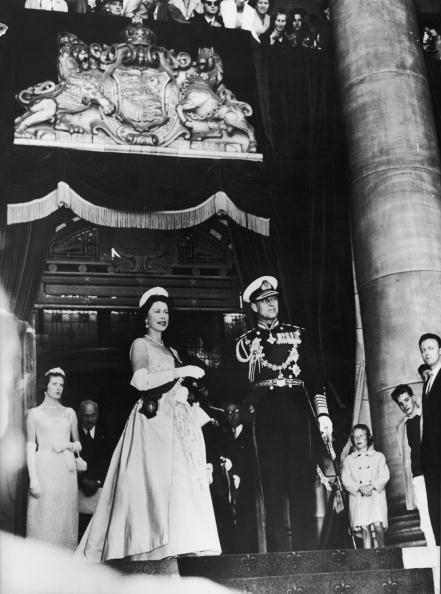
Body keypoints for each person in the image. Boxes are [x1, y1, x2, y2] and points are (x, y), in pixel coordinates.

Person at [77, 287, 221, 561]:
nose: (162, 315)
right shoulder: (140, 344)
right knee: (153, 484)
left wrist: (185, 389)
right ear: (145, 318)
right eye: (156, 311)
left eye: (166, 311)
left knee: (178, 482)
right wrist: (182, 371)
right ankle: (145, 551)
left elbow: (173, 381)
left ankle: (174, 547)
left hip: (174, 421)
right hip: (152, 422)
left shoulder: (171, 349)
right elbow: (141, 382)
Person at [235, 275, 333, 551]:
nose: (271, 304)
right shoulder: (245, 343)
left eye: (274, 299)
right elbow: (242, 386)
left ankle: (307, 552)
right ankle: (279, 554)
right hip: (266, 419)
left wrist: (323, 414)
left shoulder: (298, 334)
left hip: (297, 413)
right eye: (264, 301)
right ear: (253, 306)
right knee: (272, 484)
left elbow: (315, 378)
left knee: (301, 481)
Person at [26, 367, 81, 550]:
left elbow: (78, 444)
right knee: (44, 515)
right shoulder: (34, 414)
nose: (58, 388)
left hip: (66, 470)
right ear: (46, 386)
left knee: (65, 517)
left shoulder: (70, 413)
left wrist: (69, 445)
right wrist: (33, 478)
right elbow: (30, 446)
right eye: (54, 384)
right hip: (44, 467)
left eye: (61, 385)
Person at [391, 384, 436, 547]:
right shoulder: (401, 426)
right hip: (417, 477)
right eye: (400, 403)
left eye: (407, 400)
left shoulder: (429, 416)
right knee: (426, 520)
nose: (404, 405)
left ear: (414, 398)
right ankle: (435, 563)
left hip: (434, 474)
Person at [341, 424, 390, 548]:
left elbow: (385, 476)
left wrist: (372, 486)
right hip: (359, 498)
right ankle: (368, 559)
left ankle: (384, 554)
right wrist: (359, 488)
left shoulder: (379, 457)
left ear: (368, 437)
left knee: (378, 525)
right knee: (364, 527)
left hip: (375, 496)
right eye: (355, 437)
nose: (358, 439)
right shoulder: (349, 460)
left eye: (361, 435)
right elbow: (345, 480)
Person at [221, 401, 258, 552]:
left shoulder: (250, 431)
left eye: (235, 411)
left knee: (249, 520)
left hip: (249, 483)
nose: (232, 415)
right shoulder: (224, 434)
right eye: (228, 412)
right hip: (230, 483)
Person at [77, 400, 111, 540]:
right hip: (78, 487)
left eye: (92, 415)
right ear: (79, 416)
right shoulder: (74, 434)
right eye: (85, 416)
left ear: (97, 415)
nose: (89, 419)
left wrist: (97, 481)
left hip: (100, 486)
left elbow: (108, 460)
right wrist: (82, 480)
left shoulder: (107, 433)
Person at [418, 333, 441, 545]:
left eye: (431, 348)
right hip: (432, 459)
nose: (426, 353)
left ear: (440, 350)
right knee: (436, 509)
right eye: (423, 350)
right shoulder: (428, 382)